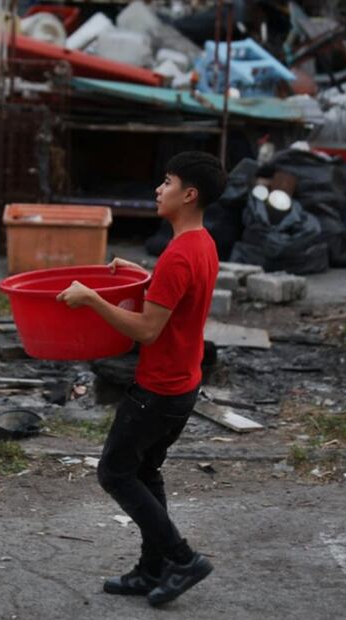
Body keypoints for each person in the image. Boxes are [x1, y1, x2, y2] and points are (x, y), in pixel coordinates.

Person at [56, 151, 226, 607]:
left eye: (167, 182)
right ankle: (152, 569)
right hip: (183, 385)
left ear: (189, 194)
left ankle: (183, 559)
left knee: (115, 472)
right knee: (145, 471)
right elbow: (176, 298)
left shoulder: (178, 255)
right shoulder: (201, 244)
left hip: (159, 389)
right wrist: (142, 278)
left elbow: (147, 330)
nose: (158, 189)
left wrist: (92, 300)